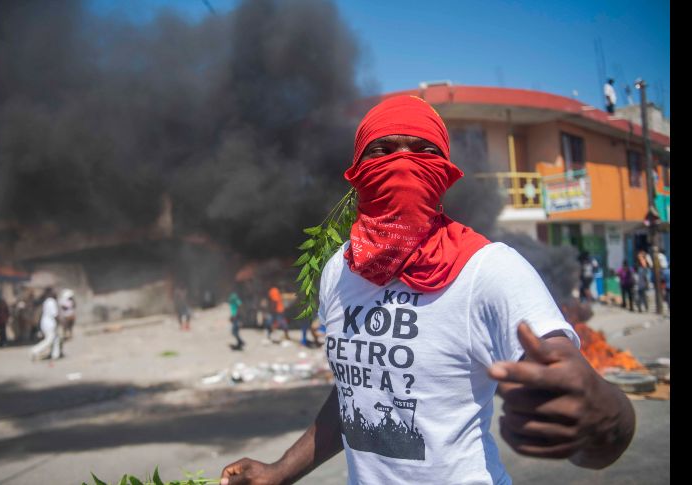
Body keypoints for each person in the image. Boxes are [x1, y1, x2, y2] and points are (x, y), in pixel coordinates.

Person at [220, 95, 635, 484]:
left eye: (423, 151)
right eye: (382, 151)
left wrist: (608, 418)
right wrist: (280, 471)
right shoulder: (338, 272)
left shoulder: (486, 269)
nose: (403, 163)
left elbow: (573, 387)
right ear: (356, 172)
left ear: (445, 173)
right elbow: (357, 393)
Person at [30, 287, 62, 361]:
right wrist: (61, 322)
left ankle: (55, 354)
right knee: (49, 340)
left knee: (56, 339)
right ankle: (34, 350)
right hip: (49, 324)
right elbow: (55, 315)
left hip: (46, 323)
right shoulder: (51, 301)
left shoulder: (47, 301)